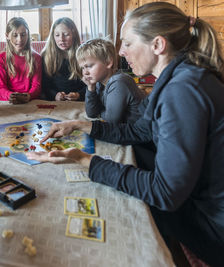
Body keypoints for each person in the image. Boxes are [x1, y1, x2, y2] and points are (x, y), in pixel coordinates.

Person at [26, 2, 224, 266]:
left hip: (213, 227)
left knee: (117, 203)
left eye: (128, 43)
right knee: (126, 163)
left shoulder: (182, 90)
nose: (120, 52)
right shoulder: (177, 76)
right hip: (199, 200)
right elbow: (141, 130)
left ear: (157, 45)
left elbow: (164, 193)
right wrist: (82, 126)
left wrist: (85, 160)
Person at [77, 38, 145, 123]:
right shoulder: (99, 83)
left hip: (138, 131)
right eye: (83, 68)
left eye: (89, 66)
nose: (85, 72)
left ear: (108, 62)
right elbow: (91, 113)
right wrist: (91, 88)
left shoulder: (119, 82)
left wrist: (99, 110)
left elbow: (111, 120)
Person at [0, 17, 42, 104]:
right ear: (7, 36)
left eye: (23, 34)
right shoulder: (0, 58)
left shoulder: (36, 58)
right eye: (15, 35)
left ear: (28, 35)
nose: (20, 39)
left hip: (30, 101)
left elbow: (37, 86)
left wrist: (29, 96)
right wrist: (10, 95)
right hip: (8, 102)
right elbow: (0, 87)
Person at [41, 17, 86, 101]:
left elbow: (90, 84)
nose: (61, 39)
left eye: (66, 34)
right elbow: (45, 85)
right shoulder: (46, 56)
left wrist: (78, 95)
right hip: (54, 101)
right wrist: (55, 95)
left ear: (74, 35)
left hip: (79, 100)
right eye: (57, 35)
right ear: (53, 37)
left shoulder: (83, 55)